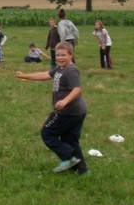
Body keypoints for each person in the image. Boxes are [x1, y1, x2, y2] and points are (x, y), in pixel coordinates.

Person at [15, 42, 89, 175]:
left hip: (68, 112)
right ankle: (82, 170)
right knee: (70, 140)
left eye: (63, 55)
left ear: (71, 55)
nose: (60, 58)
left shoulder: (71, 70)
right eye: (58, 55)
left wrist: (65, 101)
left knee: (47, 133)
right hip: (77, 112)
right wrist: (25, 76)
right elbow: (45, 75)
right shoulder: (59, 68)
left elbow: (77, 89)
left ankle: (70, 158)